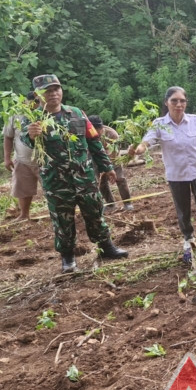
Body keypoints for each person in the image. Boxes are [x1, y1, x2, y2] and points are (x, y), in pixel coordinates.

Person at [23, 75, 128, 273]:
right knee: (62, 219)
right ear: (38, 95)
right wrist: (30, 134)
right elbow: (26, 141)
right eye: (48, 91)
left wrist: (107, 166)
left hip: (84, 177)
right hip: (56, 181)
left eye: (56, 89)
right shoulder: (33, 119)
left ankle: (107, 247)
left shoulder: (77, 113)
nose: (53, 94)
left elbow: (94, 141)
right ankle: (68, 258)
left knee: (95, 211)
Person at [130, 87, 196, 250]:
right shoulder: (160, 124)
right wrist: (139, 149)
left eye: (182, 101)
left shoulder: (195, 120)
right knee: (183, 209)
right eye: (174, 101)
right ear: (166, 102)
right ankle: (188, 237)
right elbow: (146, 141)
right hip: (177, 175)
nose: (179, 104)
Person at [3, 91, 40, 220]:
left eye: (37, 102)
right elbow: (8, 137)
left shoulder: (46, 113)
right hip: (22, 159)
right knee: (23, 189)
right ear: (25, 101)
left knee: (53, 189)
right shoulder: (14, 114)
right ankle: (24, 215)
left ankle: (56, 214)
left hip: (45, 161)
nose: (34, 105)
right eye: (31, 102)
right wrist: (7, 158)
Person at [88, 115, 134, 211]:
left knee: (120, 179)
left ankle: (127, 203)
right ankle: (110, 205)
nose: (96, 133)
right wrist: (101, 172)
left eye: (98, 130)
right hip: (96, 160)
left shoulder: (112, 134)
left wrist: (108, 170)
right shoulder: (88, 134)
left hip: (113, 160)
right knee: (101, 183)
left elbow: (113, 154)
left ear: (101, 128)